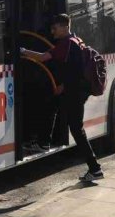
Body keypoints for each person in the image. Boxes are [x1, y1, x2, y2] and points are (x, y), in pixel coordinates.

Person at [21, 13, 104, 182]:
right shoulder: (77, 41)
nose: (52, 32)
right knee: (52, 104)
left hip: (74, 93)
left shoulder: (66, 44)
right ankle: (44, 142)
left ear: (65, 27)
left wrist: (22, 51)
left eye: (55, 28)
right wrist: (63, 86)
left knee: (76, 130)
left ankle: (95, 168)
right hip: (75, 91)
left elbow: (43, 58)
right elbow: (76, 69)